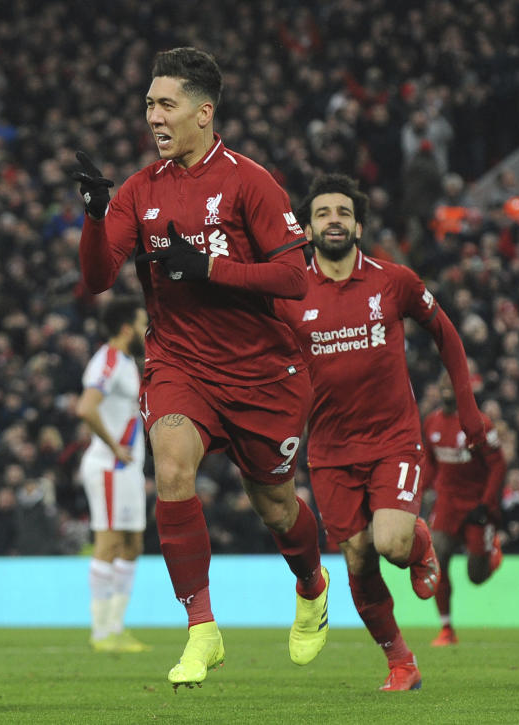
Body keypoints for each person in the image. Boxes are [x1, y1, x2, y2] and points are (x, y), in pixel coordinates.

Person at [73, 47, 329, 689]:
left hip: (262, 371)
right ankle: (202, 629)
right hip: (179, 361)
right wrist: (95, 216)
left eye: (166, 105)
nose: (153, 117)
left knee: (275, 506)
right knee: (173, 463)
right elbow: (99, 277)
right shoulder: (140, 189)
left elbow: (295, 277)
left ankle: (310, 580)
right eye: (148, 106)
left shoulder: (250, 181)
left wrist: (210, 268)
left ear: (203, 112)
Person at [272, 173, 488, 691]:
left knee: (389, 543)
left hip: (393, 439)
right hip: (327, 451)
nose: (334, 221)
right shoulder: (288, 295)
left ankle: (419, 546)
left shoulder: (394, 282)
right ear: (306, 228)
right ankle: (401, 662)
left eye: (343, 213)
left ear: (359, 225)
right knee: (358, 556)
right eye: (323, 213)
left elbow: (445, 333)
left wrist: (467, 407)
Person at [75, 297, 150, 654]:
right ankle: (101, 632)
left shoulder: (127, 362)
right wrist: (114, 446)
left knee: (133, 545)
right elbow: (85, 407)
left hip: (128, 469)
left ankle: (117, 627)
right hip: (109, 466)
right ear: (126, 328)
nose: (145, 330)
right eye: (141, 323)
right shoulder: (106, 360)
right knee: (107, 543)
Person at [422, 372, 506, 647]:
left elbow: (498, 465)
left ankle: (491, 551)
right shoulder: (432, 422)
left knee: (476, 576)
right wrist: (420, 492)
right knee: (438, 557)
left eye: (451, 385)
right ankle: (447, 629)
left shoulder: (479, 422)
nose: (447, 390)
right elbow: (431, 463)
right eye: (443, 385)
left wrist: (486, 504)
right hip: (447, 503)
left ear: (461, 389)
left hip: (475, 503)